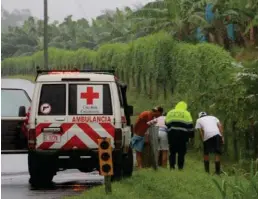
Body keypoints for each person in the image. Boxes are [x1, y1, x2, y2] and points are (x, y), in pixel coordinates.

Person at [165, 101, 194, 170]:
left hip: (172, 135)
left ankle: (172, 167)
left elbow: (166, 123)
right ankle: (180, 168)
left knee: (172, 152)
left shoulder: (170, 112)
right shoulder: (186, 113)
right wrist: (191, 136)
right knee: (181, 152)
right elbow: (190, 125)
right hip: (183, 136)